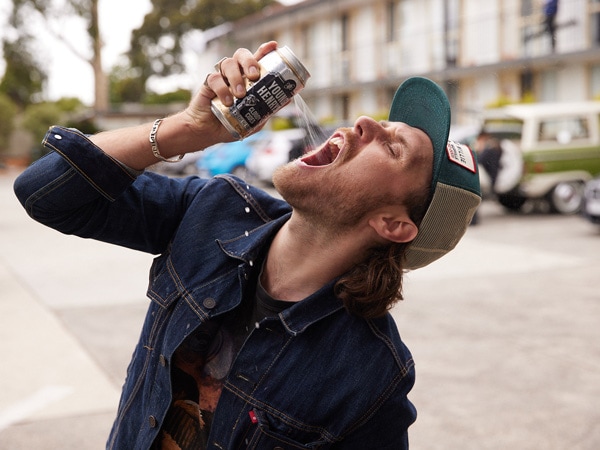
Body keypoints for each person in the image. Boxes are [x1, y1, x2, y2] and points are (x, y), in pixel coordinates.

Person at [14, 41, 481, 449]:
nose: (364, 123)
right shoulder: (215, 209)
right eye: (381, 121)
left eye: (393, 147)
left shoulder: (370, 376)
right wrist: (186, 130)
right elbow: (45, 194)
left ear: (393, 224)